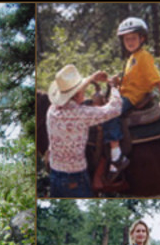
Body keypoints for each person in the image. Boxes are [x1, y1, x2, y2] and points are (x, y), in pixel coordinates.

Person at [104, 17, 160, 181]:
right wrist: (116, 81)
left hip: (132, 98)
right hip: (124, 94)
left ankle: (116, 156)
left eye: (133, 38)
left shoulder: (143, 56)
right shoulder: (132, 57)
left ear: (142, 38)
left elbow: (158, 80)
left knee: (108, 113)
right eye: (126, 39)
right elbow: (132, 79)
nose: (129, 42)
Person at [46, 64, 123, 197]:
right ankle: (116, 156)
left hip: (54, 174)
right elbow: (115, 109)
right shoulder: (81, 114)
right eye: (82, 90)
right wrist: (114, 87)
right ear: (77, 95)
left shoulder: (52, 110)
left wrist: (92, 78)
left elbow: (72, 95)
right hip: (75, 178)